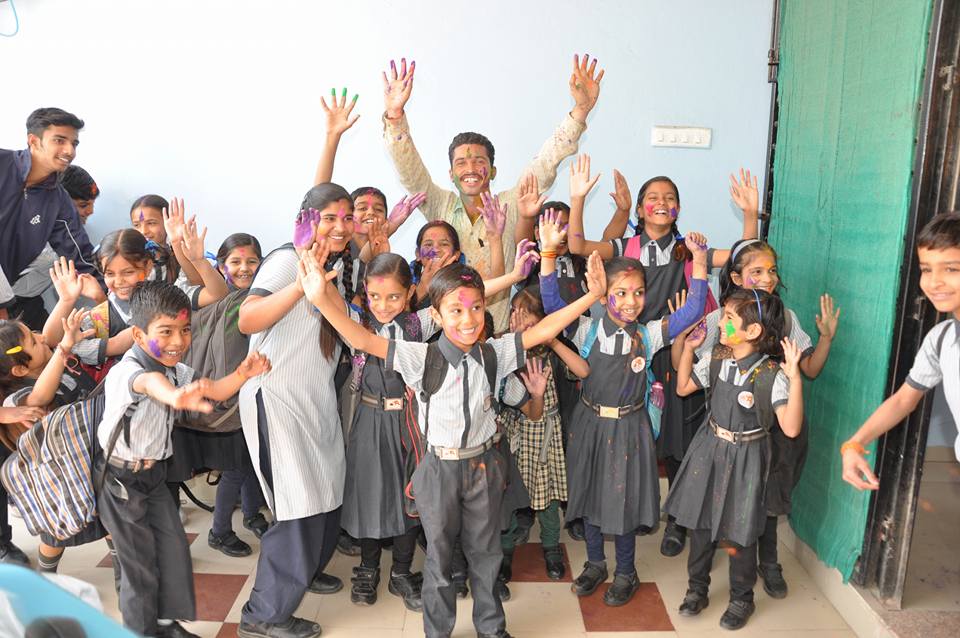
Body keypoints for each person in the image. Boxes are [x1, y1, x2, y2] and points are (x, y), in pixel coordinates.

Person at [304, 239, 605, 638]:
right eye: (456, 310)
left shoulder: (494, 353)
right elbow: (363, 341)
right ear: (437, 315)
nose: (468, 320)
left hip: (484, 467)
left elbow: (545, 330)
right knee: (440, 558)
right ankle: (438, 631)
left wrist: (593, 296)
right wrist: (320, 299)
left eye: (476, 308)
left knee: (486, 552)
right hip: (439, 469)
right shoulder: (420, 357)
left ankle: (491, 628)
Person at [566, 156, 759, 557]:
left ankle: (676, 520)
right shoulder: (624, 247)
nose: (661, 202)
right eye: (652, 197)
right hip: (632, 350)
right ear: (639, 209)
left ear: (678, 209)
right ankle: (623, 509)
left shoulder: (690, 250)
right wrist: (578, 199)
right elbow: (577, 246)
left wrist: (749, 215)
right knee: (631, 438)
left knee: (677, 440)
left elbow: (745, 258)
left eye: (669, 197)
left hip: (677, 349)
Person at [539, 208, 710, 605]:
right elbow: (551, 303)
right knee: (591, 496)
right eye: (620, 293)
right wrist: (548, 254)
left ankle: (626, 572)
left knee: (624, 501)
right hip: (590, 425)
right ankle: (595, 563)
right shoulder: (587, 328)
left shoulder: (648, 335)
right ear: (602, 295)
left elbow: (692, 310)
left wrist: (700, 264)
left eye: (638, 292)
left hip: (630, 430)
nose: (631, 302)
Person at [95, 281, 270, 638]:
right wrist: (175, 397)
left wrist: (243, 373)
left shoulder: (175, 368)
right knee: (140, 568)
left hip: (154, 478)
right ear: (138, 335)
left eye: (185, 330)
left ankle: (165, 624)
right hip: (121, 482)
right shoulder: (128, 371)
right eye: (166, 332)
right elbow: (149, 384)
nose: (178, 340)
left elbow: (214, 390)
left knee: (174, 552)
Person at [381, 54, 604, 331]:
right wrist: (395, 117)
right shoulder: (441, 206)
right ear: (451, 174)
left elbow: (547, 161)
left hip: (497, 336)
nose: (470, 169)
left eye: (479, 162)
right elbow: (411, 172)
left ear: (493, 171)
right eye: (461, 163)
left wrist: (580, 111)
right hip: (446, 337)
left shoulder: (511, 204)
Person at [679, 238, 840, 598]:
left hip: (776, 423)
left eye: (772, 270)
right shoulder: (725, 319)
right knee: (737, 500)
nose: (768, 278)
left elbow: (810, 369)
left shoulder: (786, 318)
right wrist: (684, 344)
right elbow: (691, 373)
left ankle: (769, 563)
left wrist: (826, 340)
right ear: (736, 278)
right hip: (731, 424)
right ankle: (719, 571)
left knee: (767, 498)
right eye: (757, 271)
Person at [235, 183, 359, 638]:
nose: (341, 226)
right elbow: (247, 318)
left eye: (347, 217)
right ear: (307, 221)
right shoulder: (288, 260)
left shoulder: (335, 269)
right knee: (298, 504)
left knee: (326, 495)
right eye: (330, 218)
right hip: (278, 400)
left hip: (315, 401)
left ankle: (302, 574)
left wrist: (321, 280)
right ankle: (263, 615)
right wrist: (303, 285)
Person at [666, 288, 803, 630]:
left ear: (753, 331)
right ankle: (697, 589)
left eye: (728, 318)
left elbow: (790, 427)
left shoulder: (772, 374)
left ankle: (742, 598)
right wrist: (690, 350)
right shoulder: (717, 358)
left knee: (741, 530)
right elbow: (682, 388)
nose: (720, 323)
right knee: (700, 524)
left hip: (748, 459)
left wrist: (795, 378)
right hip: (710, 450)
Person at [842, 211, 960, 486]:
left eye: (951, 269)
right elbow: (904, 399)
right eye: (927, 269)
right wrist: (855, 444)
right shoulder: (941, 338)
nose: (935, 282)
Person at [1, 308, 98, 574]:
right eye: (33, 341)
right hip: (62, 480)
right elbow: (39, 398)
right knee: (56, 535)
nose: (41, 337)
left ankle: (123, 577)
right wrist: (63, 349)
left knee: (110, 521)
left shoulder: (49, 366)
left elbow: (49, 336)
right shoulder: (18, 396)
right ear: (20, 369)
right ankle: (46, 574)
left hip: (89, 463)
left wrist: (66, 301)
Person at [0, 107, 99, 330]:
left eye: (74, 143)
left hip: (10, 302)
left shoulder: (59, 201)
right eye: (59, 140)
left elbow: (81, 258)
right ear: (33, 141)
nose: (69, 150)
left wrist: (114, 294)